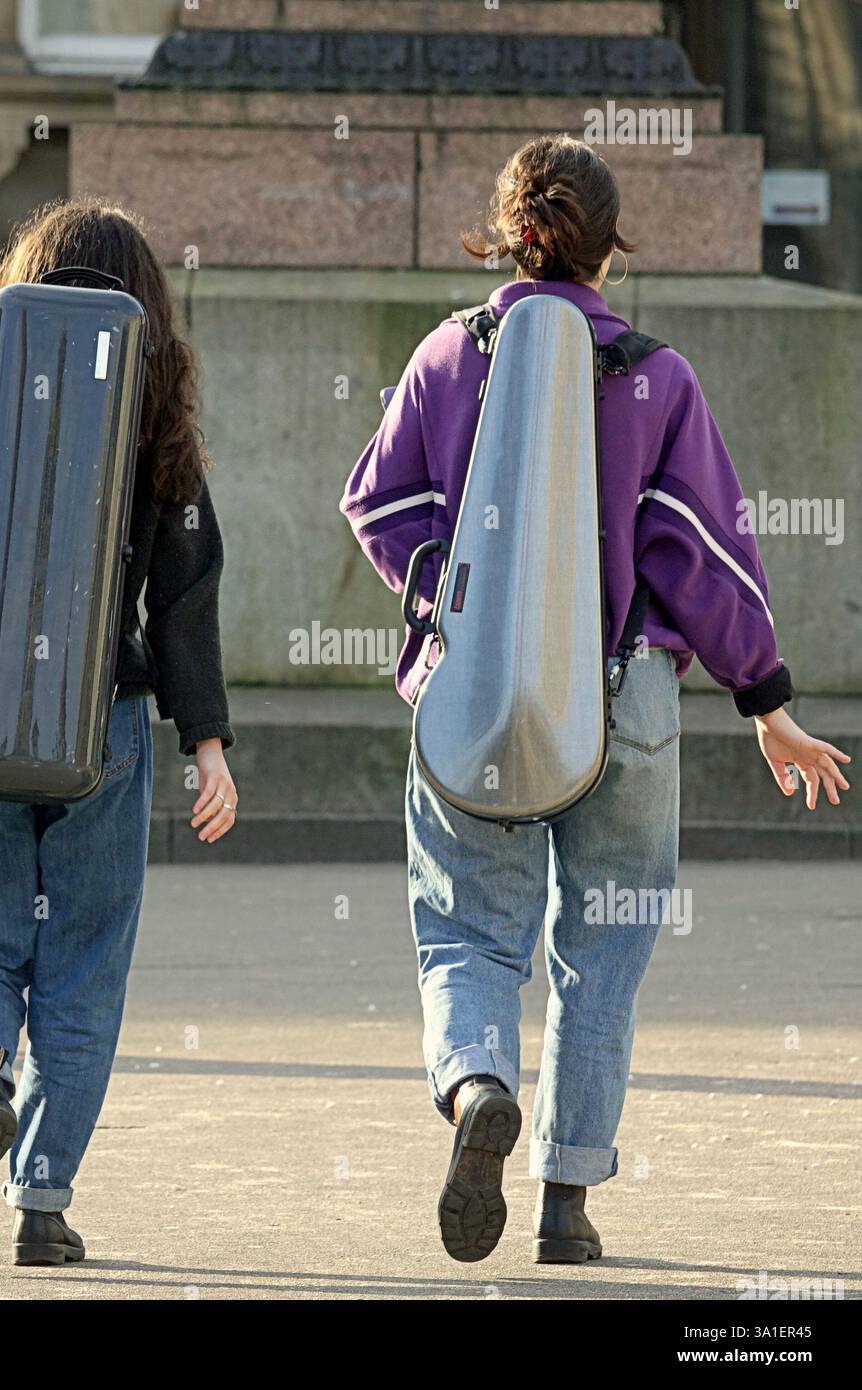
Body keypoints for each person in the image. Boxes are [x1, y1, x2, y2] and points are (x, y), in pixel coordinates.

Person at [340, 134, 850, 1266]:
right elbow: (708, 558)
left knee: (469, 926)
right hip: (627, 699)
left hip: (474, 695)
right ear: (608, 254)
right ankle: (568, 1199)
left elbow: (377, 508)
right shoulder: (659, 378)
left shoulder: (442, 357)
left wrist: (447, 602)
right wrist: (766, 701)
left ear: (506, 234)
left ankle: (477, 1081)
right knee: (602, 946)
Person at [0, 199, 238, 1266]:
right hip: (100, 723)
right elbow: (188, 585)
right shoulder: (153, 396)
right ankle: (44, 1202)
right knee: (83, 960)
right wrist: (207, 742)